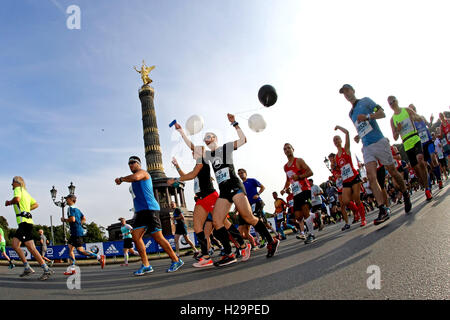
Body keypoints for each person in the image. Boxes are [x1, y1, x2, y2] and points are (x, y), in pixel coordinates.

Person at [174, 114, 279, 265]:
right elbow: (193, 147)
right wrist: (181, 132)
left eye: (209, 136)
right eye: (205, 138)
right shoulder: (208, 155)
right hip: (223, 191)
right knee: (217, 221)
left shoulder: (226, 148)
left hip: (235, 186)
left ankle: (271, 240)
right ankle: (229, 253)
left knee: (248, 217)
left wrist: (234, 123)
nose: (206, 139)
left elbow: (243, 140)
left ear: (215, 138)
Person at [169, 128, 252, 268]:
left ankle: (242, 245)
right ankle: (206, 256)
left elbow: (190, 175)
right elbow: (188, 173)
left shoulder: (203, 161)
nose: (192, 152)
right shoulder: (198, 162)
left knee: (223, 223)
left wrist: (176, 179)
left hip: (211, 196)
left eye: (195, 151)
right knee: (197, 227)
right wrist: (177, 166)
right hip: (201, 199)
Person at [340, 84, 411, 225]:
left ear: (353, 90)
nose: (346, 94)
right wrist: (358, 136)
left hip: (379, 141)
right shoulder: (350, 113)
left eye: (348, 90)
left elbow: (382, 113)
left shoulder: (366, 101)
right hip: (367, 147)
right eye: (344, 93)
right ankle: (382, 208)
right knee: (371, 177)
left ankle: (405, 193)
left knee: (392, 171)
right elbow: (362, 127)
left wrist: (367, 116)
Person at [115, 156, 184, 275]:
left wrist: (121, 179)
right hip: (140, 212)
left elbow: (136, 177)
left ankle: (176, 260)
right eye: (129, 164)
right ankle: (146, 265)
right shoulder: (133, 181)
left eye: (133, 163)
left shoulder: (143, 173)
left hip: (150, 209)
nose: (130, 165)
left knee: (158, 237)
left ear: (139, 164)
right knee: (136, 238)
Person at [4, 176, 53, 280]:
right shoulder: (26, 193)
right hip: (26, 223)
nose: (11, 185)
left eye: (12, 182)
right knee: (18, 245)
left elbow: (16, 199)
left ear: (17, 183)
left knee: (28, 247)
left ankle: (44, 269)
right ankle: (29, 267)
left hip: (24, 223)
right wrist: (27, 209)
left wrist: (9, 202)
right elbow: (35, 204)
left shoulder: (17, 189)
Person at [388, 96, 432, 201]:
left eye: (393, 101)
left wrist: (415, 117)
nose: (392, 104)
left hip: (415, 138)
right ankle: (423, 182)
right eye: (390, 103)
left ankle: (427, 189)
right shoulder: (392, 119)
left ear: (397, 101)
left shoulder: (406, 110)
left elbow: (418, 117)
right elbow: (394, 137)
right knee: (416, 170)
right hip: (406, 143)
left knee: (420, 160)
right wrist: (398, 130)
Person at [280, 143, 316, 244]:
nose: (287, 150)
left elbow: (310, 172)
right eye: (285, 149)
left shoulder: (299, 160)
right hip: (296, 192)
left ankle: (311, 234)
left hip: (304, 189)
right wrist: (284, 189)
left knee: (305, 211)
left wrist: (299, 177)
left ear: (293, 149)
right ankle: (315, 216)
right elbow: (288, 180)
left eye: (288, 148)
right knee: (298, 216)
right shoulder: (285, 167)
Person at [62, 194, 105, 275]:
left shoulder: (70, 208)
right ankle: (72, 269)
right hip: (76, 231)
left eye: (67, 199)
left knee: (80, 251)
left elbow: (72, 219)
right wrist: (80, 225)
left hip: (76, 232)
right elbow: (84, 218)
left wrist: (64, 220)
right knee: (70, 249)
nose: (66, 200)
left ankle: (99, 257)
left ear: (71, 200)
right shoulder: (77, 209)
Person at [333, 126, 367, 227]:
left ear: (341, 140)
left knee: (357, 199)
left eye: (337, 139)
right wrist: (338, 174)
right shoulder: (336, 156)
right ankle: (357, 211)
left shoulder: (346, 149)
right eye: (334, 140)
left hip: (354, 177)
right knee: (346, 201)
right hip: (346, 180)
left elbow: (347, 132)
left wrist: (338, 127)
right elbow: (340, 169)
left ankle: (363, 219)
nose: (336, 141)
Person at [408, 105, 443, 189]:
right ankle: (435, 177)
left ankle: (439, 180)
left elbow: (429, 125)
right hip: (420, 145)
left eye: (413, 109)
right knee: (429, 164)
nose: (412, 111)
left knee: (433, 158)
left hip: (428, 141)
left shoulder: (421, 117)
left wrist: (431, 121)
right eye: (410, 110)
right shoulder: (410, 122)